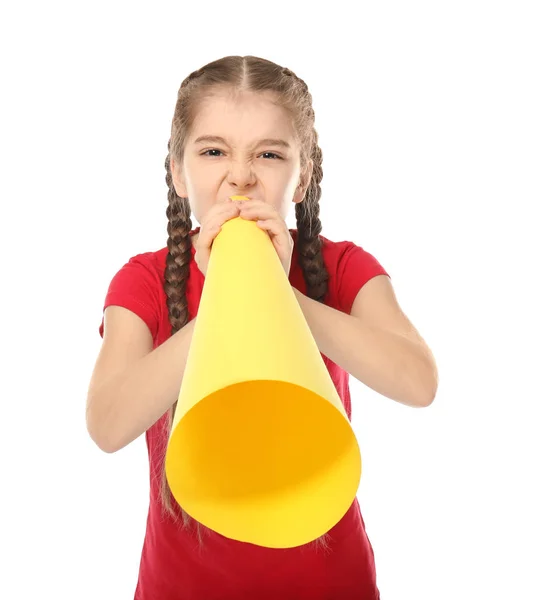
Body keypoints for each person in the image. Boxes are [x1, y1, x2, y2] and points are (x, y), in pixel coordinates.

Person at [86, 55, 438, 600]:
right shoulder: (145, 280)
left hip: (331, 584)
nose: (241, 175)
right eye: (213, 151)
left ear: (303, 177)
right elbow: (107, 425)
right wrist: (225, 299)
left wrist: (285, 296)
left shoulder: (339, 267)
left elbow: (418, 383)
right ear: (179, 173)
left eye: (270, 154)